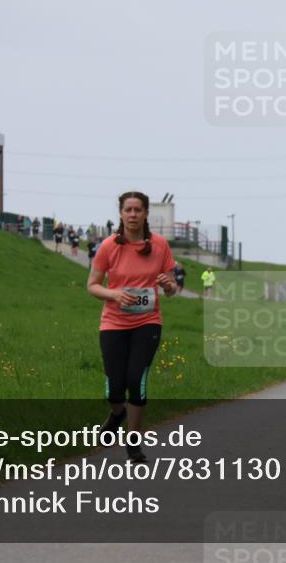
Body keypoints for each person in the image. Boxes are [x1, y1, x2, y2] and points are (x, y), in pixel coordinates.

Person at [87, 191, 177, 464]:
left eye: (138, 210)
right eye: (129, 210)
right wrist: (114, 295)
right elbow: (92, 285)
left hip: (147, 322)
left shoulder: (160, 245)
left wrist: (167, 285)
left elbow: (173, 288)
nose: (133, 215)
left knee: (136, 381)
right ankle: (117, 414)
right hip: (114, 322)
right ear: (121, 213)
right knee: (115, 388)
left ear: (146, 213)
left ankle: (133, 445)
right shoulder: (109, 246)